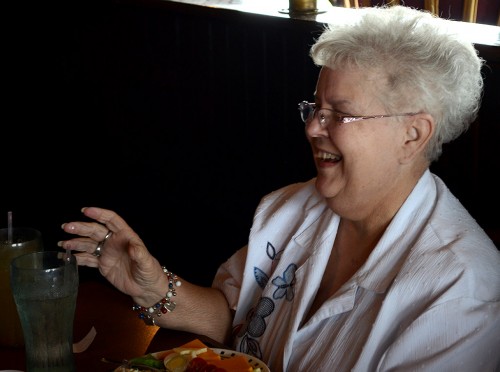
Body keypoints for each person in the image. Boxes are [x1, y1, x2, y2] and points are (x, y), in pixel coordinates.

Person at [58, 5, 500, 371]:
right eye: (314, 107)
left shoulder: (462, 291)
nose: (312, 128)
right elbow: (239, 320)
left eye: (340, 114)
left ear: (414, 135)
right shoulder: (290, 208)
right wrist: (153, 287)